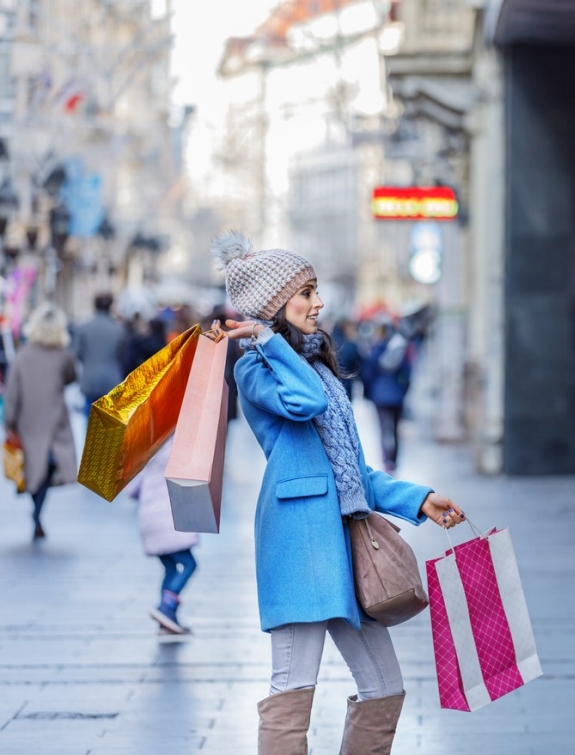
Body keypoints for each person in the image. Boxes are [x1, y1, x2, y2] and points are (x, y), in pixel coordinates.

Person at [210, 231, 466, 755]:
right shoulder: (257, 368)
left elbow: (353, 470)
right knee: (292, 691)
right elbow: (302, 404)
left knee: (384, 687)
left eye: (315, 290)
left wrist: (418, 499)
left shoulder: (315, 366)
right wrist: (265, 340)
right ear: (272, 305)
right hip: (298, 543)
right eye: (305, 292)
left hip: (345, 545)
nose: (318, 303)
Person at [4, 303, 78, 540]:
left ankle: (35, 513)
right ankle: (37, 513)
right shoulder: (63, 356)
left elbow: (12, 392)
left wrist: (10, 421)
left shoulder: (23, 356)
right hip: (55, 421)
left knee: (36, 469)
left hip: (28, 422)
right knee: (45, 470)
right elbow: (71, 377)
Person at [125, 439, 198, 636]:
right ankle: (166, 607)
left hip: (149, 522)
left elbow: (132, 490)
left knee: (170, 567)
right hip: (169, 520)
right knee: (189, 564)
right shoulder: (174, 446)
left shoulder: (146, 450)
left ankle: (167, 622)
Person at [360, 323, 413, 474]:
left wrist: (369, 391)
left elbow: (367, 372)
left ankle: (386, 460)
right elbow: (407, 373)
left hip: (380, 396)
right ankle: (394, 459)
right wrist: (403, 390)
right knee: (395, 429)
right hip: (397, 396)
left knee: (383, 428)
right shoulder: (398, 351)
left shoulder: (376, 350)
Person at [74, 293, 126, 415]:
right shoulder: (118, 330)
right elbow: (122, 356)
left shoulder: (84, 328)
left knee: (89, 418)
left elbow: (78, 353)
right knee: (107, 421)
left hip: (90, 378)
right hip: (112, 379)